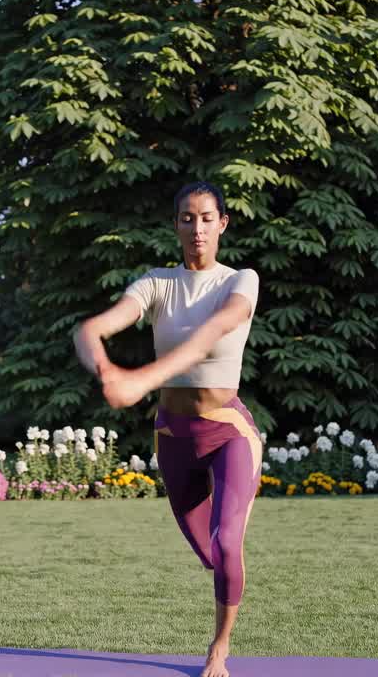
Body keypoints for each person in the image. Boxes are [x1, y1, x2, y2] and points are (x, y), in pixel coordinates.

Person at [73, 181, 261, 677]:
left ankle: (219, 648)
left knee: (226, 546)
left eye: (205, 218)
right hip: (174, 438)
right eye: (186, 218)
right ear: (175, 225)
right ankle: (225, 574)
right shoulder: (157, 283)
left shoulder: (240, 281)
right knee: (209, 553)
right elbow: (93, 328)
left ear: (222, 223)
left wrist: (141, 381)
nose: (196, 228)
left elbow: (211, 334)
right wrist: (104, 367)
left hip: (228, 434)